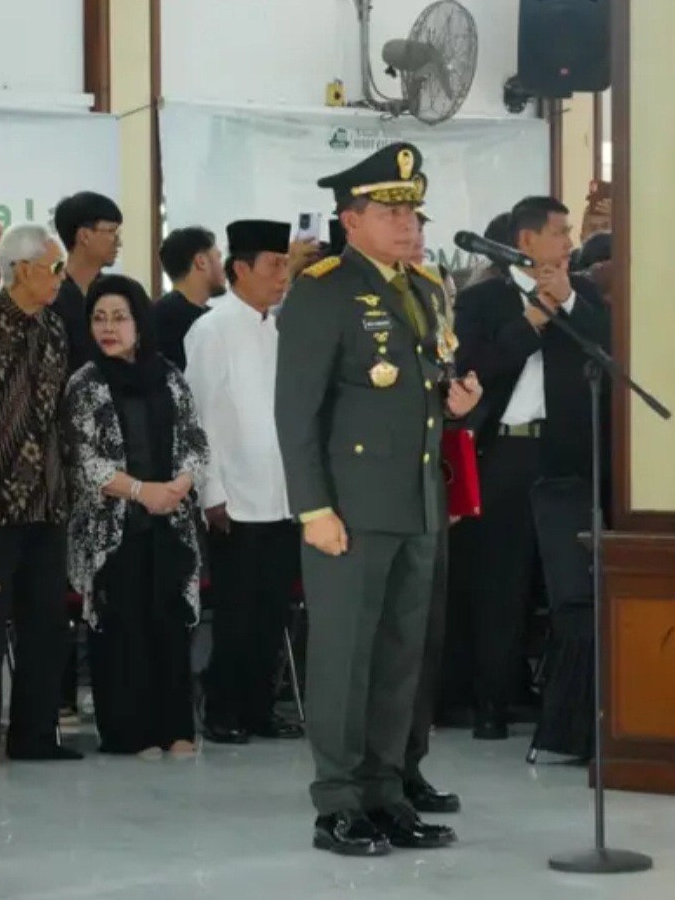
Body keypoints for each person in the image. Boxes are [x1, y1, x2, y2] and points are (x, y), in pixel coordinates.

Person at [275, 142, 482, 857]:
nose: (407, 224)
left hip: (417, 502)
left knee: (401, 658)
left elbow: (420, 390)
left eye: (412, 212)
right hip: (351, 509)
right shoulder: (324, 289)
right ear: (350, 219)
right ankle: (338, 802)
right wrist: (313, 508)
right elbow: (296, 411)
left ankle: (386, 791)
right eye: (390, 212)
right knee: (345, 658)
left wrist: (457, 403)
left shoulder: (422, 287)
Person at [453, 195, 610, 740]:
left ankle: (566, 708)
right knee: (502, 580)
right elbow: (474, 369)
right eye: (560, 232)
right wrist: (531, 322)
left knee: (567, 581)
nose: (570, 242)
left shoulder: (583, 293)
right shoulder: (483, 300)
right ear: (526, 241)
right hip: (506, 454)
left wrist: (567, 302)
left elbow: (609, 347)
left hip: (566, 455)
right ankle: (492, 702)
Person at [0, 223, 81, 767]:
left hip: (46, 502)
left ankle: (35, 736)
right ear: (23, 269)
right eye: (55, 267)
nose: (61, 278)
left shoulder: (54, 329)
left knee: (46, 623)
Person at [62, 274, 207, 757]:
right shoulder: (85, 384)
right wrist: (144, 492)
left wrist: (179, 485)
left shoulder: (169, 376)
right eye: (99, 319)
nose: (108, 328)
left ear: (139, 323)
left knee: (169, 623)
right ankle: (129, 733)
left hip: (169, 520)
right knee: (123, 627)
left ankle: (176, 728)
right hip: (112, 527)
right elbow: (84, 461)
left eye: (119, 318)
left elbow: (195, 440)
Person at [184, 220, 304, 744]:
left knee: (272, 610)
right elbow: (200, 417)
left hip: (281, 495)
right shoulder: (212, 330)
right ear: (240, 268)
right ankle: (223, 709)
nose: (283, 276)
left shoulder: (277, 328)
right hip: (234, 497)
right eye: (274, 265)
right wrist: (211, 493)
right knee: (237, 611)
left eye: (286, 265)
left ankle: (259, 707)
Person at [398, 207, 460, 815]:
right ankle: (371, 774)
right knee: (383, 644)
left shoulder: (431, 293)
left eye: (419, 226)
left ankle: (409, 764)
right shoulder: (338, 295)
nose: (413, 237)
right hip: (371, 492)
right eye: (400, 222)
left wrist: (457, 399)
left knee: (425, 637)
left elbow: (437, 380)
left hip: (427, 487)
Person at [52, 191, 124, 372]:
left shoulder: (119, 292)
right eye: (111, 232)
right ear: (84, 236)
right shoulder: (49, 294)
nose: (118, 242)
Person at [154, 226, 226, 370]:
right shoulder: (168, 318)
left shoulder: (156, 313)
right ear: (201, 261)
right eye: (218, 257)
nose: (223, 268)